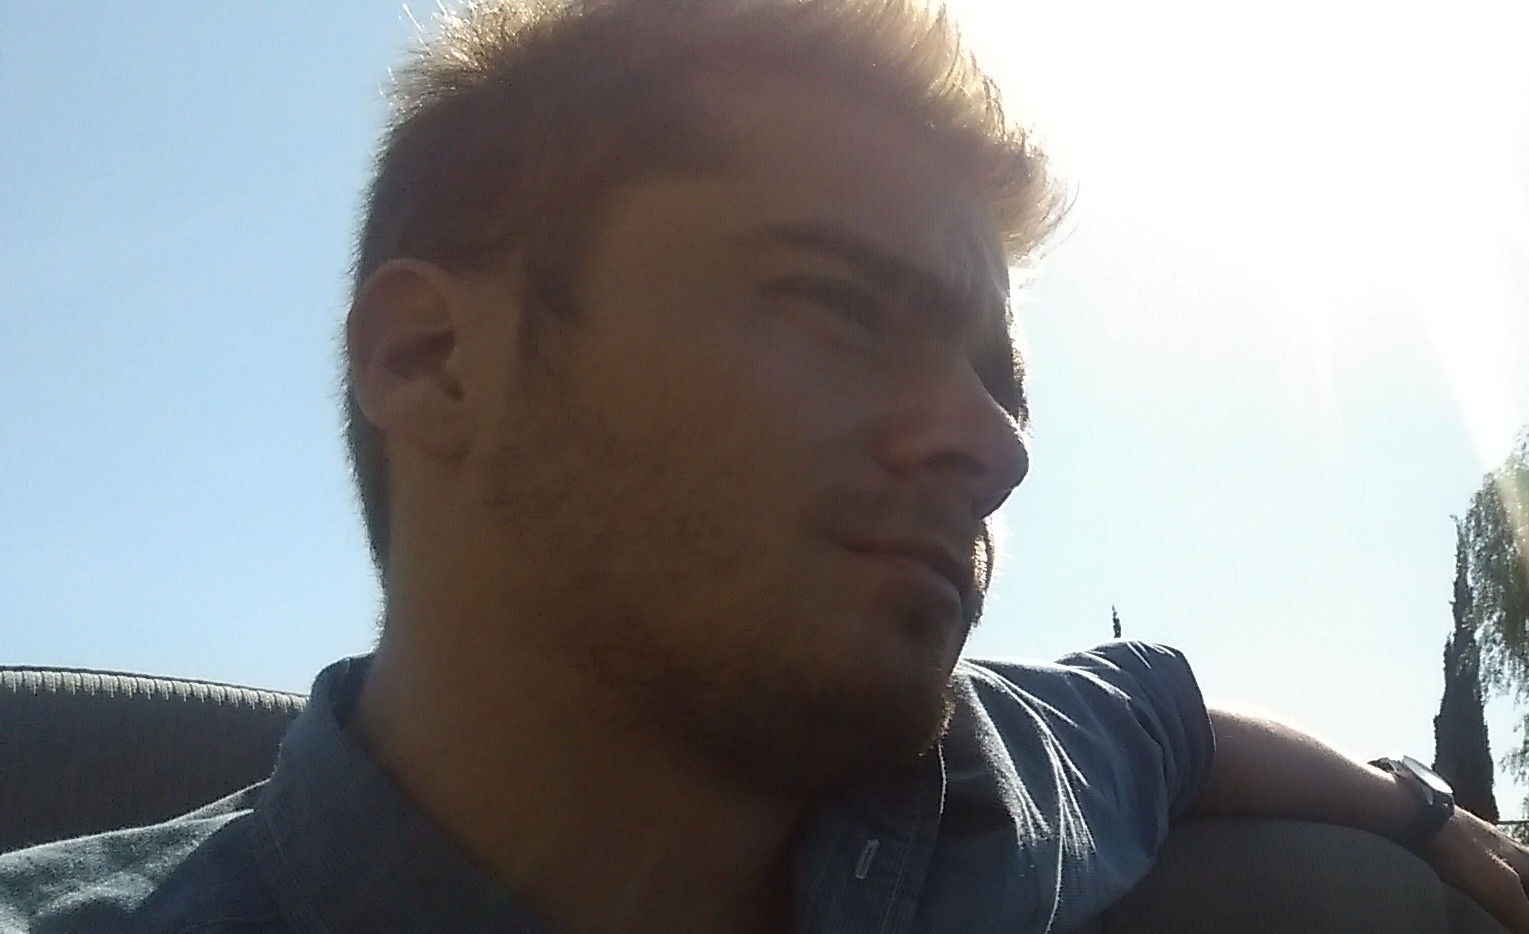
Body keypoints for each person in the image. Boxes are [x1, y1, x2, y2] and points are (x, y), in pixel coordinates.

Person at [3, 0, 1529, 931]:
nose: (996, 447)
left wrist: (1420, 819)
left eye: (998, 383)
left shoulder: (975, 790)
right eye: (838, 306)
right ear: (430, 358)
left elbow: (1162, 712)